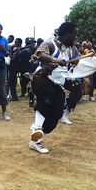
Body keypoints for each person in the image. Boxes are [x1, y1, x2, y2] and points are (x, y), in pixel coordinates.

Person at [28, 22, 78, 154]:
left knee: (56, 114)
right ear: (67, 34)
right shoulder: (50, 43)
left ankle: (37, 138)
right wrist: (56, 61)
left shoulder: (69, 49)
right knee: (47, 97)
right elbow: (40, 54)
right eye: (74, 35)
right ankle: (37, 127)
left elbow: (77, 59)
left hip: (58, 84)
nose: (75, 38)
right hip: (42, 78)